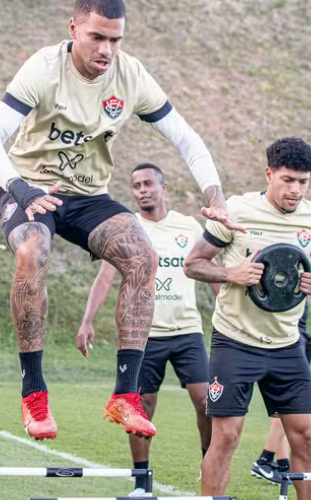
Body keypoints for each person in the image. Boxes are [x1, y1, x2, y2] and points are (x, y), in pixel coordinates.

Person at [0, 0, 240, 441]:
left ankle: (124, 396)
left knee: (143, 256)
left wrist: (215, 195)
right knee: (32, 251)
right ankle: (33, 394)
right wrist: (18, 187)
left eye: (116, 40)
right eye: (98, 37)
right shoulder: (44, 68)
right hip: (31, 187)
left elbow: (185, 137)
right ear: (73, 28)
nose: (107, 50)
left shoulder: (130, 75)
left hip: (89, 196)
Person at [184, 137, 311, 500]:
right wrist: (231, 274)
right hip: (236, 341)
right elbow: (193, 264)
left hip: (286, 344)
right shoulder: (238, 211)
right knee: (227, 435)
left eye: (303, 182)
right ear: (269, 174)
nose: (295, 190)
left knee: (306, 435)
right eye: (288, 180)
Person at [76, 163, 218, 496]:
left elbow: (209, 270)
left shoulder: (188, 225)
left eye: (148, 184)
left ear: (162, 187)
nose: (142, 190)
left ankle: (208, 470)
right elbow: (106, 277)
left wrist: (230, 310)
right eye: (136, 185)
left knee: (207, 402)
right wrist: (87, 319)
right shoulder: (127, 227)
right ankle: (142, 485)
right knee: (141, 407)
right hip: (143, 335)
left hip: (187, 332)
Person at [250, 308, 311, 484]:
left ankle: (282, 465)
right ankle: (264, 460)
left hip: (293, 338)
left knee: (285, 411)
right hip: (290, 340)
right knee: (292, 408)